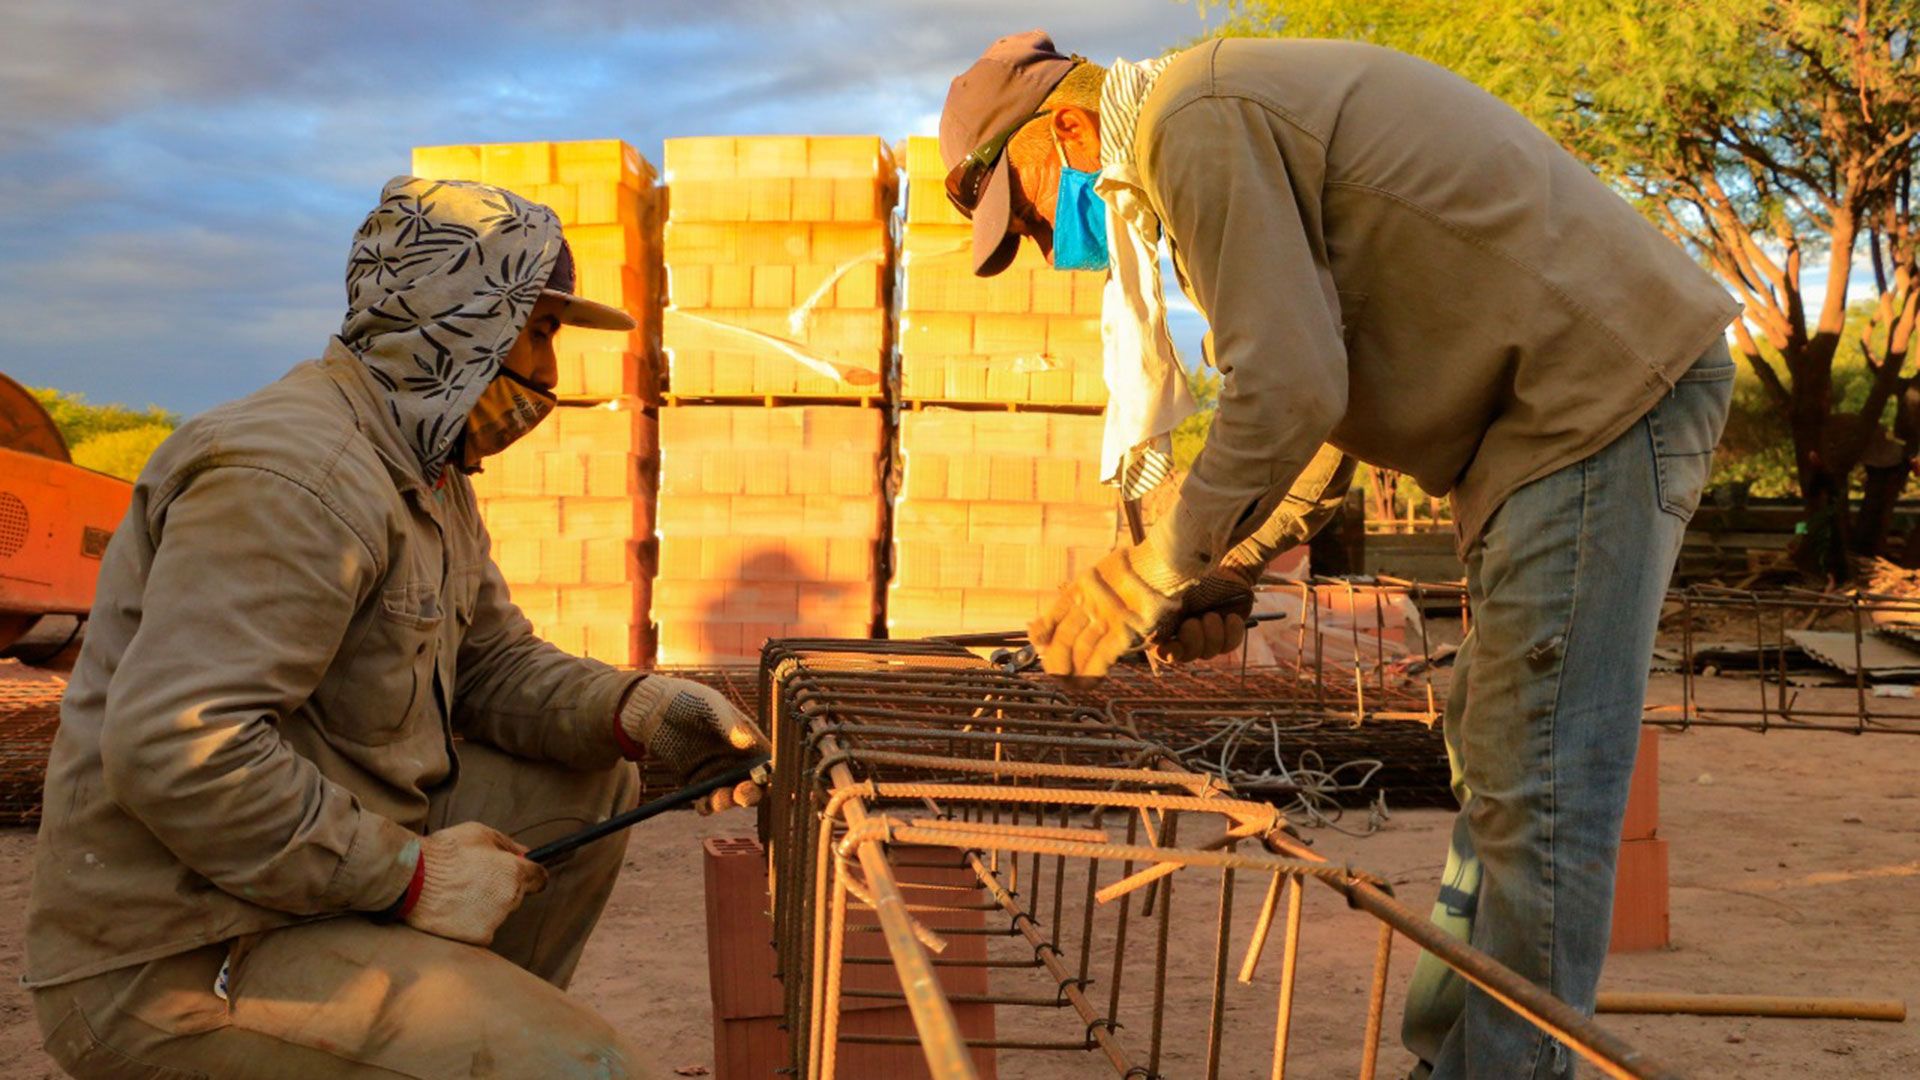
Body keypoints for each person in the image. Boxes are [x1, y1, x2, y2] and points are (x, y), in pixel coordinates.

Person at [940, 30, 1737, 1079]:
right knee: (1499, 765)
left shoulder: (1192, 120)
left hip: (1591, 404)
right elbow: (1323, 404)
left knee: (1542, 787)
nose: (1050, 241)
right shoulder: (1203, 128)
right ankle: (1452, 1062)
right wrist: (1225, 563)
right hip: (1542, 429)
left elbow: (1290, 389)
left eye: (1035, 210)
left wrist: (1142, 573)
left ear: (1072, 128)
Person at [26, 176, 766, 1079]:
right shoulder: (292, 478)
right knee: (589, 1069)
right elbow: (180, 750)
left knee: (589, 774)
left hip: (295, 888)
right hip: (182, 947)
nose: (550, 374)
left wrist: (635, 707)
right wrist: (408, 876)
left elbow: (491, 663)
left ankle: (445, 1020)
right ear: (462, 318)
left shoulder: (423, 469)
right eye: (537, 332)